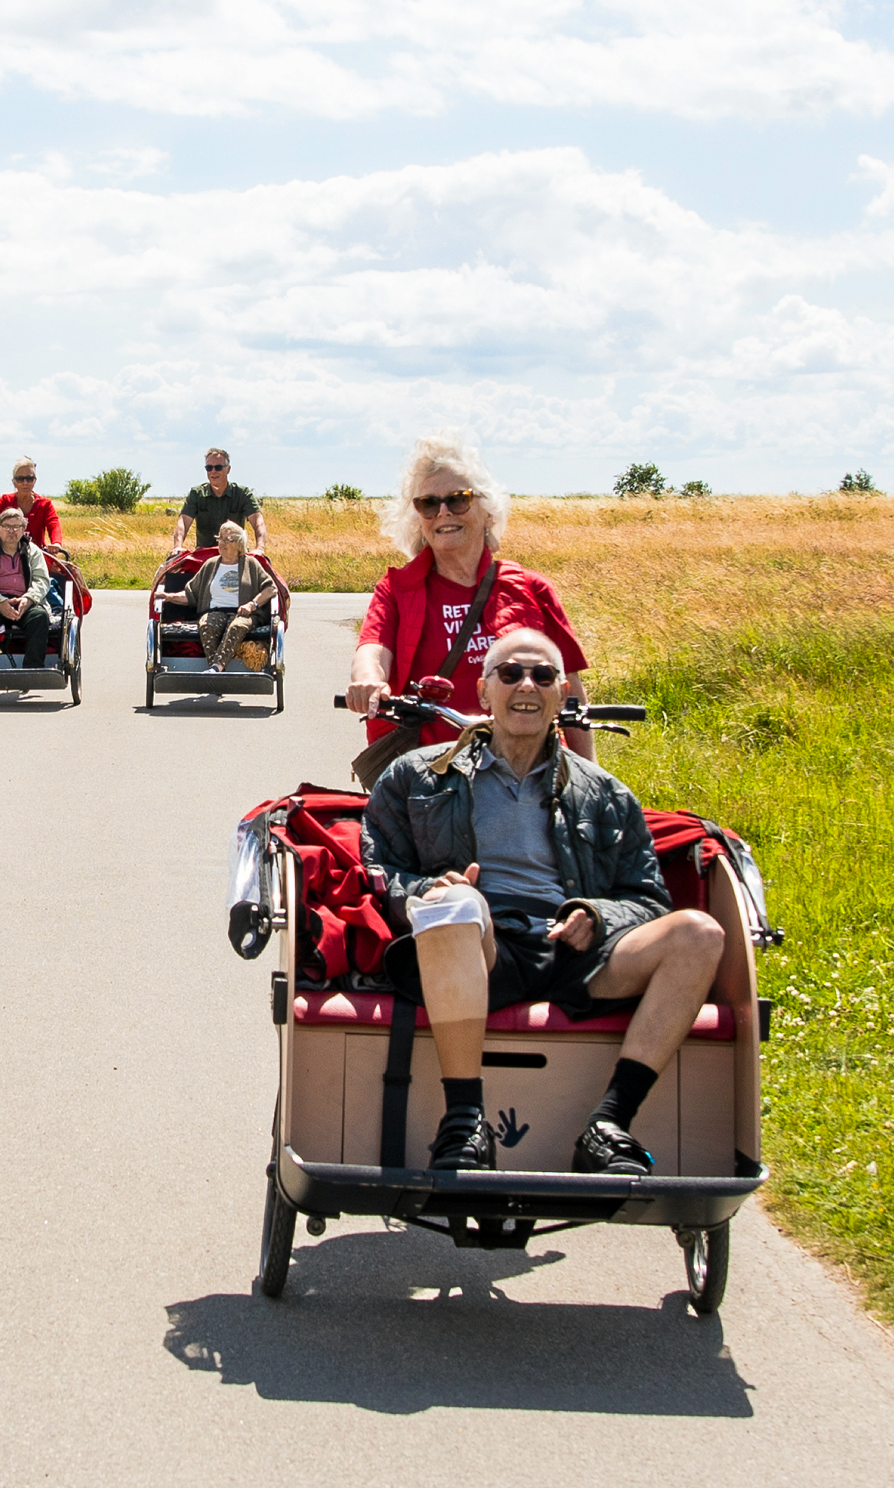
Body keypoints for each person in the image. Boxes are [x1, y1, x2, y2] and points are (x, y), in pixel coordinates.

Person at [360, 627, 725, 1178]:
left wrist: (597, 917)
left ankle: (609, 1124)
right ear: (484, 693)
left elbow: (648, 897)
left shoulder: (605, 793)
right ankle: (463, 1121)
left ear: (562, 696)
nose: (525, 685)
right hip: (478, 948)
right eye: (509, 674)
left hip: (576, 952)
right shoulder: (417, 775)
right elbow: (379, 863)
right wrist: (428, 892)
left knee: (700, 933)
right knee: (458, 903)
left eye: (543, 676)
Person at [346, 434, 587, 765]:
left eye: (458, 500)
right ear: (418, 519)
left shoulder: (532, 589)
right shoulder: (398, 590)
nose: (443, 512)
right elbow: (371, 651)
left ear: (487, 511)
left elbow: (571, 690)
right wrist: (368, 681)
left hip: (532, 763)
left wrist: (590, 780)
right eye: (428, 504)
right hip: (434, 771)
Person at [154, 520, 280, 671]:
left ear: (239, 543)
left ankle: (216, 669)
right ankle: (216, 669)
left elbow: (271, 588)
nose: (222, 543)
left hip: (243, 614)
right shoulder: (210, 565)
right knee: (207, 624)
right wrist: (169, 596)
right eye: (220, 538)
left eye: (228, 539)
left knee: (237, 626)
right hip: (215, 611)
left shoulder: (251, 564)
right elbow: (190, 595)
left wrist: (252, 604)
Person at [0, 506, 59, 668]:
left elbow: (42, 580)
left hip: (23, 601)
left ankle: (33, 669)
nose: (12, 531)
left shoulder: (33, 551)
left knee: (39, 616)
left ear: (23, 529)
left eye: (17, 527)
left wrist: (29, 599)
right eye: (7, 526)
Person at [173, 448, 264, 557]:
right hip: (204, 555)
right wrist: (177, 546)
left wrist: (260, 548)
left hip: (236, 554)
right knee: (173, 570)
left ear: (228, 469)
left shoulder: (242, 494)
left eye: (218, 467)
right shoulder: (197, 494)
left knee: (263, 568)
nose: (213, 471)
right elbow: (183, 521)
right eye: (209, 468)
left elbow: (258, 521)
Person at [0, 457, 64, 550]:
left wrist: (56, 543)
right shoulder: (5, 501)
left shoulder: (45, 504)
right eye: (20, 479)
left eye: (29, 478)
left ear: (34, 481)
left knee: (59, 564)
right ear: (14, 482)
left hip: (36, 555)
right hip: (5, 554)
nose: (25, 483)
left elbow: (54, 525)